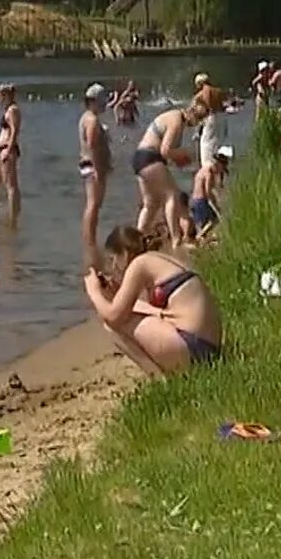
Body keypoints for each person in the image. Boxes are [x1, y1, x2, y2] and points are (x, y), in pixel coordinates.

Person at [83, 225, 222, 376]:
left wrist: (94, 291)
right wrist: (114, 295)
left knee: (110, 326)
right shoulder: (158, 258)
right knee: (122, 318)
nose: (112, 267)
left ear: (123, 253)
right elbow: (159, 313)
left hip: (193, 348)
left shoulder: (139, 264)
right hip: (208, 347)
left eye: (112, 260)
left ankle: (158, 379)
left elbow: (114, 317)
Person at [131, 100, 209, 248]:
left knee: (151, 204)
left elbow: (166, 152)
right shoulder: (177, 121)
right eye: (198, 119)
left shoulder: (173, 117)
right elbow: (165, 151)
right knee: (172, 195)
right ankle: (176, 240)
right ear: (192, 113)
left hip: (140, 158)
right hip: (150, 157)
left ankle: (136, 241)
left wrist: (178, 159)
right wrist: (184, 154)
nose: (195, 124)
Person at [77, 83, 114, 268]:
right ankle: (90, 241)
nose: (104, 104)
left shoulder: (88, 117)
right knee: (93, 204)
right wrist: (99, 169)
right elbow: (92, 145)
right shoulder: (91, 120)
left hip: (90, 165)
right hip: (93, 166)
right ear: (93, 101)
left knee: (93, 204)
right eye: (101, 101)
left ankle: (90, 240)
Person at [0, 83, 24, 225]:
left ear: (5, 95)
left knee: (11, 185)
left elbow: (14, 131)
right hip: (4, 148)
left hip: (8, 148)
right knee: (7, 184)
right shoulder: (8, 110)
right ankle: (11, 215)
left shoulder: (12, 110)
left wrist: (8, 149)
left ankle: (13, 218)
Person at [189, 148, 230, 239]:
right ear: (219, 164)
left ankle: (201, 236)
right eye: (222, 167)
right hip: (201, 201)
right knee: (213, 220)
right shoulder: (209, 173)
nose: (220, 172)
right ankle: (199, 237)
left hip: (195, 200)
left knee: (210, 221)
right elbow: (208, 192)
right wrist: (215, 206)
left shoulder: (205, 168)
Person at [195, 80, 227, 171]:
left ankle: (207, 169)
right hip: (221, 118)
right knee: (219, 143)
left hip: (210, 118)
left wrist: (198, 130)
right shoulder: (218, 90)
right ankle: (220, 170)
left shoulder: (203, 92)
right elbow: (222, 106)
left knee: (206, 145)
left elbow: (204, 110)